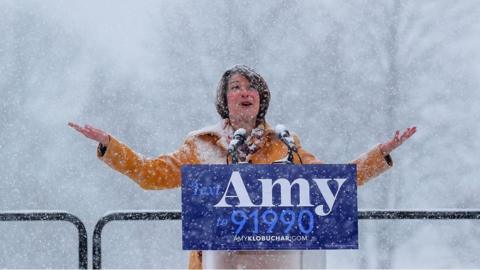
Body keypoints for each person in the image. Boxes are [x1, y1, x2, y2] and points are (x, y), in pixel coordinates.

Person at [69, 65, 416, 269]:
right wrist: (108, 145)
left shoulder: (285, 143)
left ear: (262, 99)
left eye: (252, 87)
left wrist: (379, 154)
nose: (244, 92)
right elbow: (149, 174)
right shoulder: (200, 145)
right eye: (236, 87)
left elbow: (332, 184)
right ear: (225, 100)